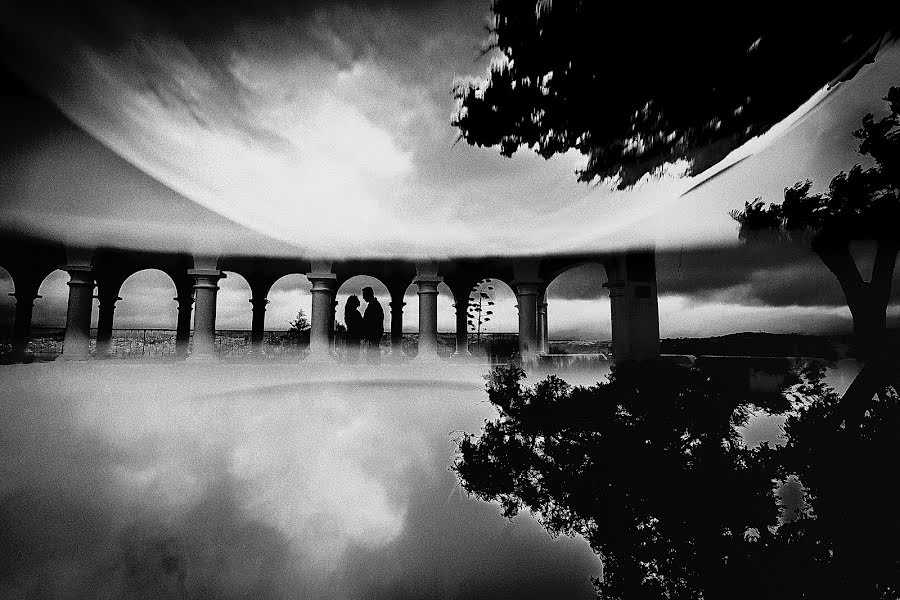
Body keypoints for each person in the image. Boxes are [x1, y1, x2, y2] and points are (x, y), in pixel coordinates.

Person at [362, 286, 384, 364]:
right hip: (374, 334)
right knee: (373, 350)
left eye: (364, 295)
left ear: (368, 295)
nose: (363, 298)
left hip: (373, 334)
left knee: (373, 351)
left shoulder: (374, 306)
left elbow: (373, 322)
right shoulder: (374, 305)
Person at [343, 295, 364, 364]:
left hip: (350, 337)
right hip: (355, 337)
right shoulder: (356, 313)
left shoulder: (347, 313)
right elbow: (361, 324)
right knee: (354, 357)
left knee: (350, 356)